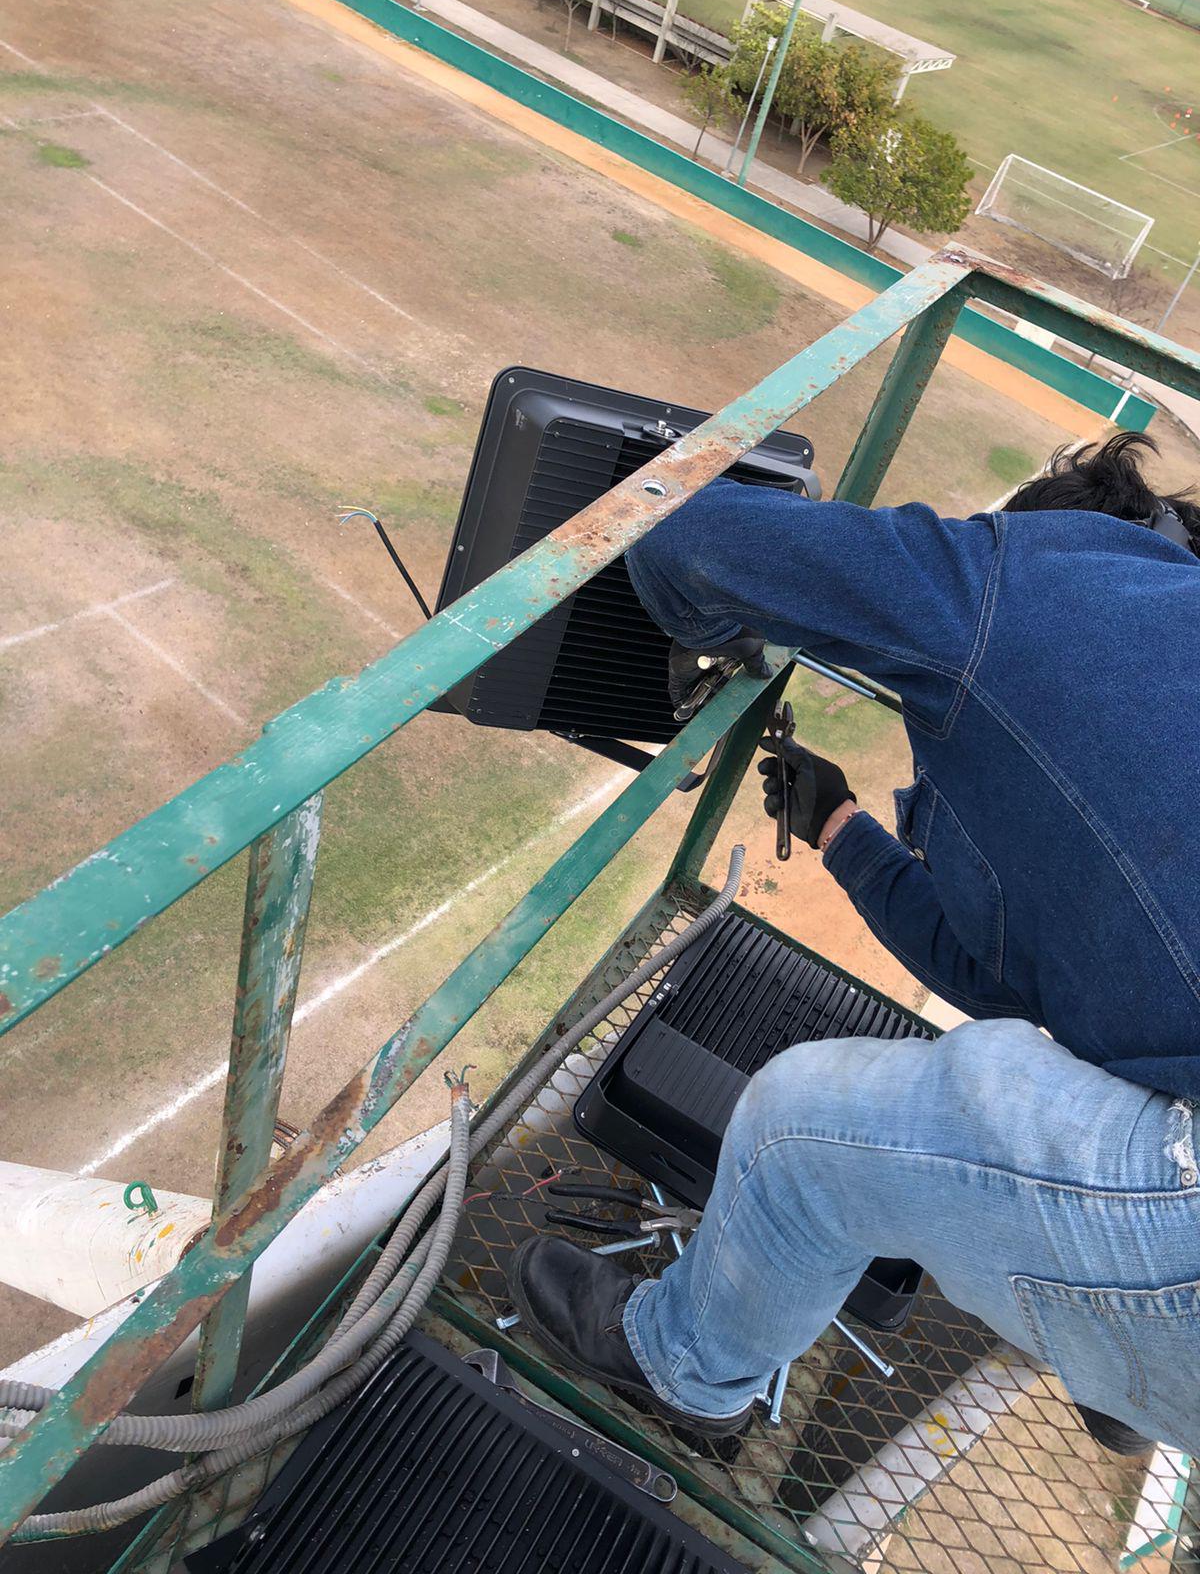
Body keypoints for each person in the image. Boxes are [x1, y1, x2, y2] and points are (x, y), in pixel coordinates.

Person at [508, 433, 1200, 1456]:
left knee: (800, 1129)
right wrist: (840, 827)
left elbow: (686, 539)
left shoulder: (1037, 571)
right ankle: (1131, 1366)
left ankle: (688, 1371)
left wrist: (716, 634)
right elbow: (1009, 976)